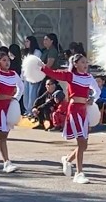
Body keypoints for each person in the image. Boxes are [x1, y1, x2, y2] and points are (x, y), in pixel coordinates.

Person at [41, 53, 100, 184]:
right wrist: (42, 67)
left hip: (84, 111)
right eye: (82, 62)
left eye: (86, 62)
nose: (85, 65)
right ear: (75, 64)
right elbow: (54, 74)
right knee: (81, 142)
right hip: (74, 110)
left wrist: (92, 99)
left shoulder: (89, 77)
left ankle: (67, 160)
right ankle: (79, 173)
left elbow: (97, 91)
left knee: (84, 145)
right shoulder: (70, 76)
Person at [22, 36, 43, 112]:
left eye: (27, 41)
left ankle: (31, 110)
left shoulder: (37, 52)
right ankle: (27, 110)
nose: (26, 43)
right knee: (26, 94)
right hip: (26, 76)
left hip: (33, 76)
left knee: (32, 94)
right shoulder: (26, 53)